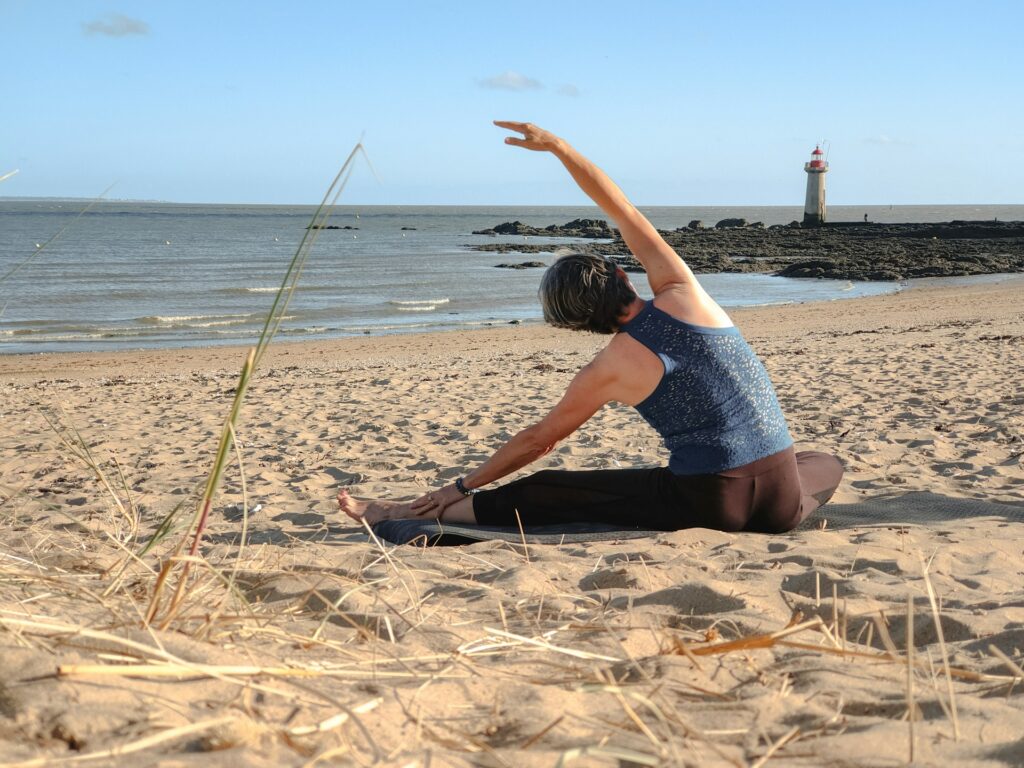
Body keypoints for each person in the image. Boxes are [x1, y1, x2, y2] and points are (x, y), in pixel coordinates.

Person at [337, 121, 843, 534]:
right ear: (622, 274)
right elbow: (620, 208)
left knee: (547, 490)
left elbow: (537, 442)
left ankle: (409, 513)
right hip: (781, 501)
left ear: (577, 324)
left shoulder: (607, 369)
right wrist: (559, 146)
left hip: (710, 503)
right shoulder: (685, 295)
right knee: (823, 462)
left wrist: (461, 486)